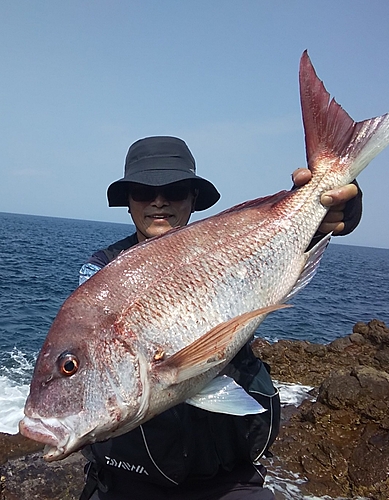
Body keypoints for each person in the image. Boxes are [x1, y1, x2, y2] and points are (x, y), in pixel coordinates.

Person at [79, 136, 362, 500]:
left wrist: (333, 208)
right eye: (142, 191)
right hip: (131, 480)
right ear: (128, 203)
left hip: (232, 479)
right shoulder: (102, 273)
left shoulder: (234, 246)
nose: (159, 201)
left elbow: (294, 238)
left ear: (194, 199)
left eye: (176, 190)